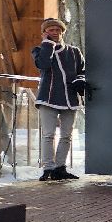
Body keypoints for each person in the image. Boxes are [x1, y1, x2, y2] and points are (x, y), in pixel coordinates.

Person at [32, 17, 86, 182]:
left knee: (66, 135)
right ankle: (48, 168)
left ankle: (60, 168)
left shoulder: (74, 51)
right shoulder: (39, 50)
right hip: (47, 98)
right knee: (48, 135)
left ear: (62, 32)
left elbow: (82, 70)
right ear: (45, 33)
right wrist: (48, 44)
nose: (55, 32)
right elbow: (43, 65)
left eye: (58, 30)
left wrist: (80, 80)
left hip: (70, 98)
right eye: (51, 30)